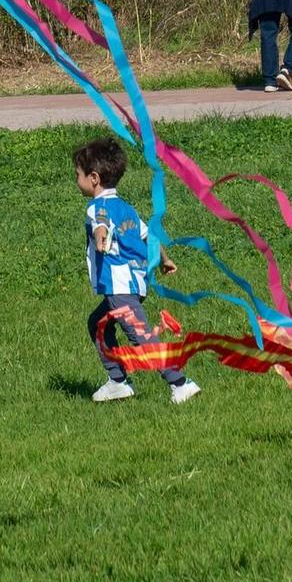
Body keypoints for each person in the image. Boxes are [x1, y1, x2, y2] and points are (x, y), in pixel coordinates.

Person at [74, 138, 200, 405]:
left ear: (94, 178)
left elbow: (101, 225)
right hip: (134, 282)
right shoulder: (125, 207)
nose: (77, 180)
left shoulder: (98, 207)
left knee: (140, 337)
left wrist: (100, 237)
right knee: (97, 324)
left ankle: (180, 383)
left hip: (120, 287)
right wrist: (165, 259)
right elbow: (148, 236)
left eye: (78, 175)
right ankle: (118, 382)